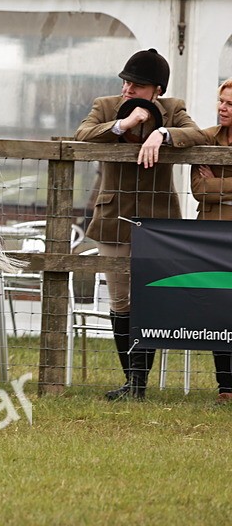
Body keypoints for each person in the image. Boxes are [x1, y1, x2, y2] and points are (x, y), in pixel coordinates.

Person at [74, 48, 206, 400]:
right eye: (126, 82)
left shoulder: (173, 108)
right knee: (120, 302)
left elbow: (198, 135)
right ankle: (133, 380)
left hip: (158, 221)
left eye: (137, 85)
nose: (128, 89)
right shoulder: (105, 105)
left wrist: (161, 134)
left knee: (149, 299)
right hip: (112, 218)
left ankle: (138, 384)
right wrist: (123, 125)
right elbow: (82, 134)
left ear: (156, 90)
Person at [189, 77, 232, 403]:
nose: (223, 108)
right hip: (212, 235)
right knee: (220, 307)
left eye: (230, 104)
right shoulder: (206, 138)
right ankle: (226, 387)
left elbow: (211, 188)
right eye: (221, 101)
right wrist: (215, 186)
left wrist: (218, 181)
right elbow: (199, 190)